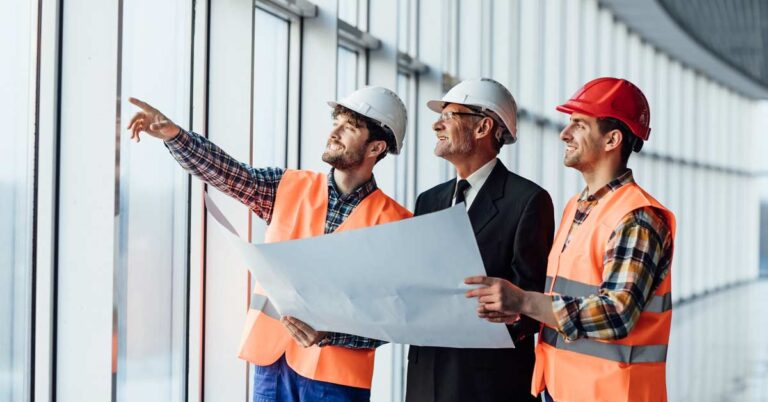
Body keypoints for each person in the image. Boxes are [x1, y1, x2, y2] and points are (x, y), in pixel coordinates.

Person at [127, 86, 412, 402]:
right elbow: (230, 175)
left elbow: (396, 316)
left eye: (350, 127)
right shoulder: (288, 186)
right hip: (271, 362)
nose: (335, 131)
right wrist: (174, 135)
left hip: (336, 378)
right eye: (337, 121)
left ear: (376, 147)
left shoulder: (396, 222)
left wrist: (332, 334)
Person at [466, 77, 676, 402]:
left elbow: (616, 313)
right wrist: (521, 310)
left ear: (612, 139)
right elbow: (566, 294)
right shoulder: (577, 207)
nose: (565, 133)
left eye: (578, 124)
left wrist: (524, 300)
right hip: (562, 388)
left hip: (612, 394)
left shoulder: (637, 217)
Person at [405, 78, 555, 402]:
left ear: (482, 127)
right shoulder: (428, 201)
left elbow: (534, 299)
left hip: (488, 383)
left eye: (449, 115)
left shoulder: (528, 200)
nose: (436, 124)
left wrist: (510, 312)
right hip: (425, 377)